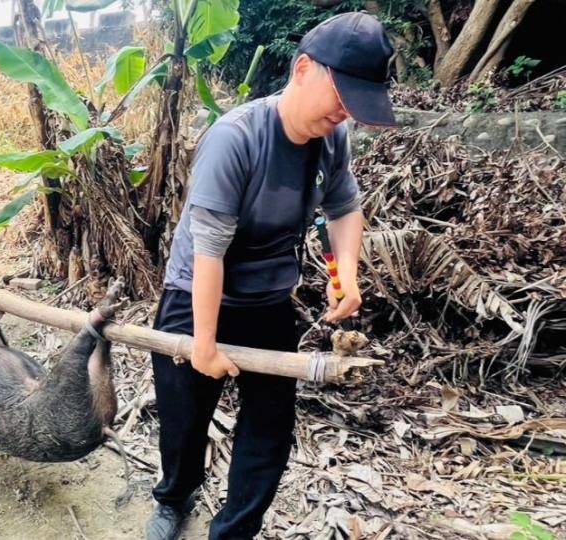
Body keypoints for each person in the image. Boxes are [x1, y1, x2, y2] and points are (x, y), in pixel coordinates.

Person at [145, 12, 396, 540]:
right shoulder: (235, 139)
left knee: (268, 432)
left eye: (355, 104)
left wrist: (345, 272)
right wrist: (205, 346)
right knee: (184, 421)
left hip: (268, 302)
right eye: (342, 96)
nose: (345, 113)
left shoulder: (332, 137)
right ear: (303, 69)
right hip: (198, 297)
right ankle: (174, 497)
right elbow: (209, 253)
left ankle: (233, 532)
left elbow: (344, 208)